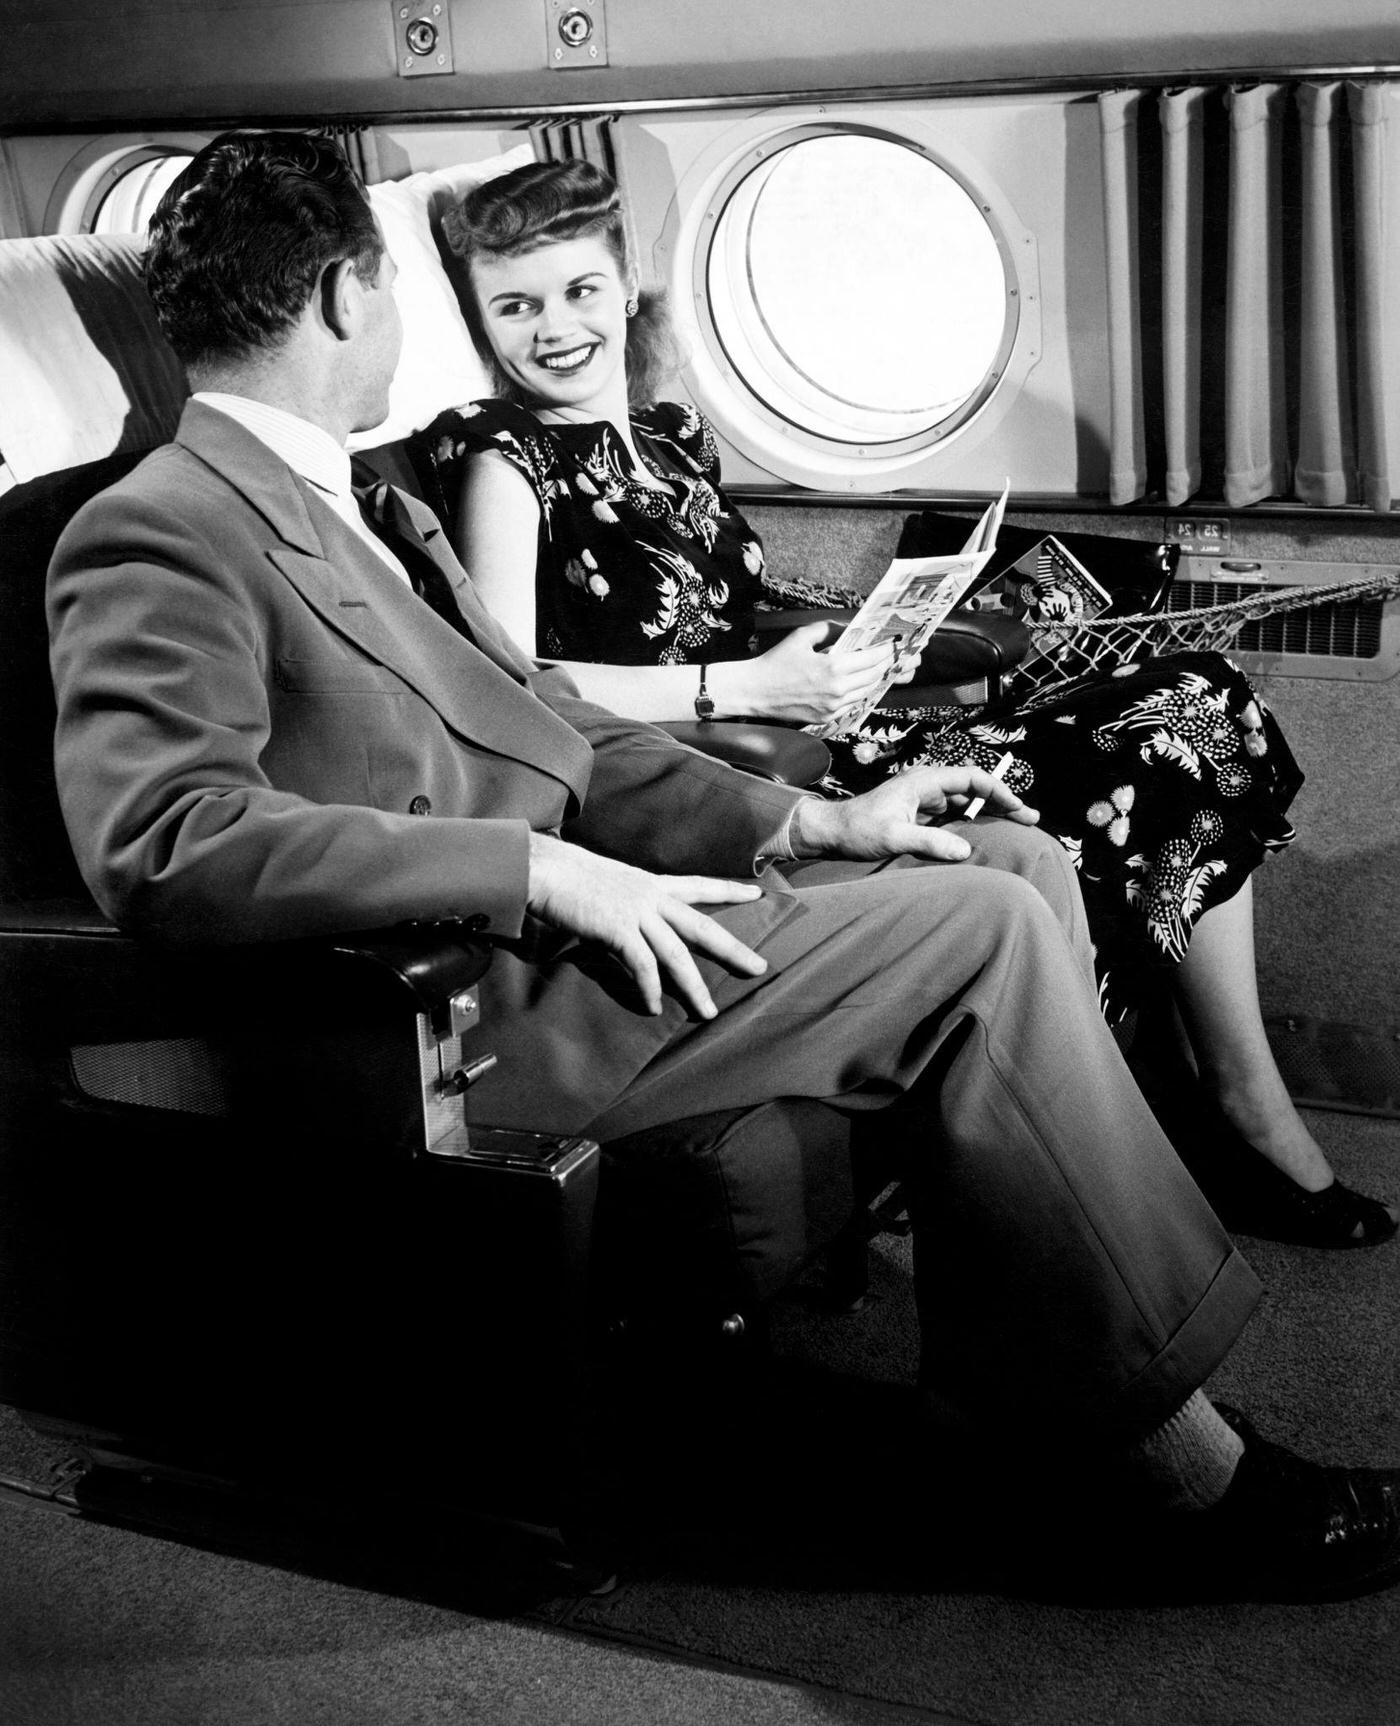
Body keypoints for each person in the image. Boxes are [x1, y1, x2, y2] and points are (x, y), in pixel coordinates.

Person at [45, 130, 1400, 1603]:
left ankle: (1027, 1372)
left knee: (1002, 848)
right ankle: (1173, 1464)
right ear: (343, 299)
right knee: (983, 931)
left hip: (602, 936)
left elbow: (553, 723)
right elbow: (166, 842)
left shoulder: (366, 504)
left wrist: (810, 825)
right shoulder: (157, 523)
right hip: (457, 1010)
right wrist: (542, 874)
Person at [412, 158, 1394, 1250]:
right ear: (481, 319)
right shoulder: (504, 459)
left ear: (625, 283)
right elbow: (507, 684)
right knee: (1157, 748)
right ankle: (1217, 1113)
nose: (554, 328)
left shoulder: (671, 438)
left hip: (807, 720)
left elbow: (714, 613)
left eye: (578, 292)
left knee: (1204, 699)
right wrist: (740, 686)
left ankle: (1205, 1090)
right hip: (723, 769)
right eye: (516, 305)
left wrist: (849, 653)